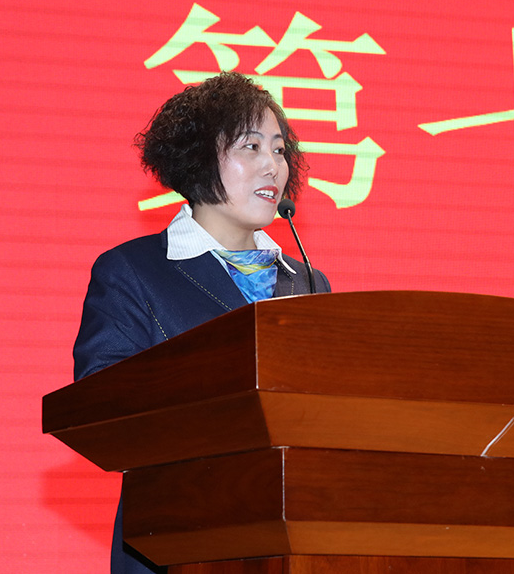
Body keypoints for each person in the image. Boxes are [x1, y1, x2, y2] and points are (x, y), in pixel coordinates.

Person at [71, 71, 330, 573]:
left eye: (279, 150)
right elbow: (102, 408)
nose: (272, 165)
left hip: (290, 542)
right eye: (251, 146)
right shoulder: (134, 271)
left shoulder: (307, 280)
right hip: (175, 539)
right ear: (197, 158)